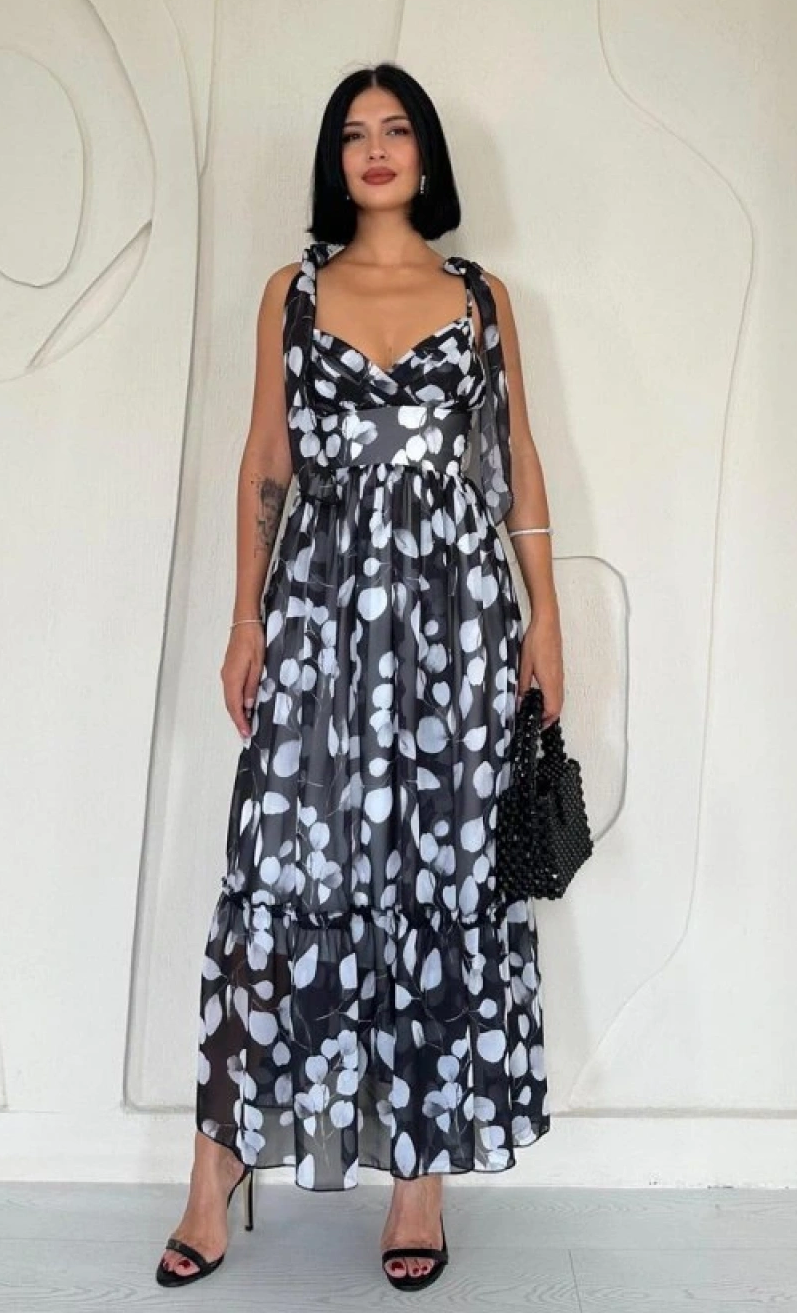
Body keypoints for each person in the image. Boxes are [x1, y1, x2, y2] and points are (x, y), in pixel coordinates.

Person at [157, 63, 564, 1292]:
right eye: (353, 134)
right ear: (336, 163)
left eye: (395, 130)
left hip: (456, 624)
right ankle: (214, 1169)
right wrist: (244, 617)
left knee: (439, 876)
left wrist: (545, 620)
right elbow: (264, 461)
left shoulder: (481, 300)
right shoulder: (291, 295)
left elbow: (516, 463)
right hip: (320, 615)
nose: (374, 149)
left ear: (426, 156)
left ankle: (418, 1180)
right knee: (283, 867)